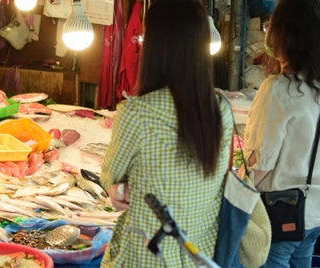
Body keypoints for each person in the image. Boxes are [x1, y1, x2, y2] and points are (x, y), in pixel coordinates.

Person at [99, 0, 233, 266]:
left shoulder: (137, 113)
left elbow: (111, 175)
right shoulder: (220, 110)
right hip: (201, 257)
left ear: (154, 48)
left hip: (148, 257)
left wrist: (115, 187)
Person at [244, 0, 320, 266]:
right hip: (315, 211)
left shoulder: (276, 89)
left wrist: (237, 188)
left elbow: (261, 163)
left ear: (282, 35)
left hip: (280, 214)